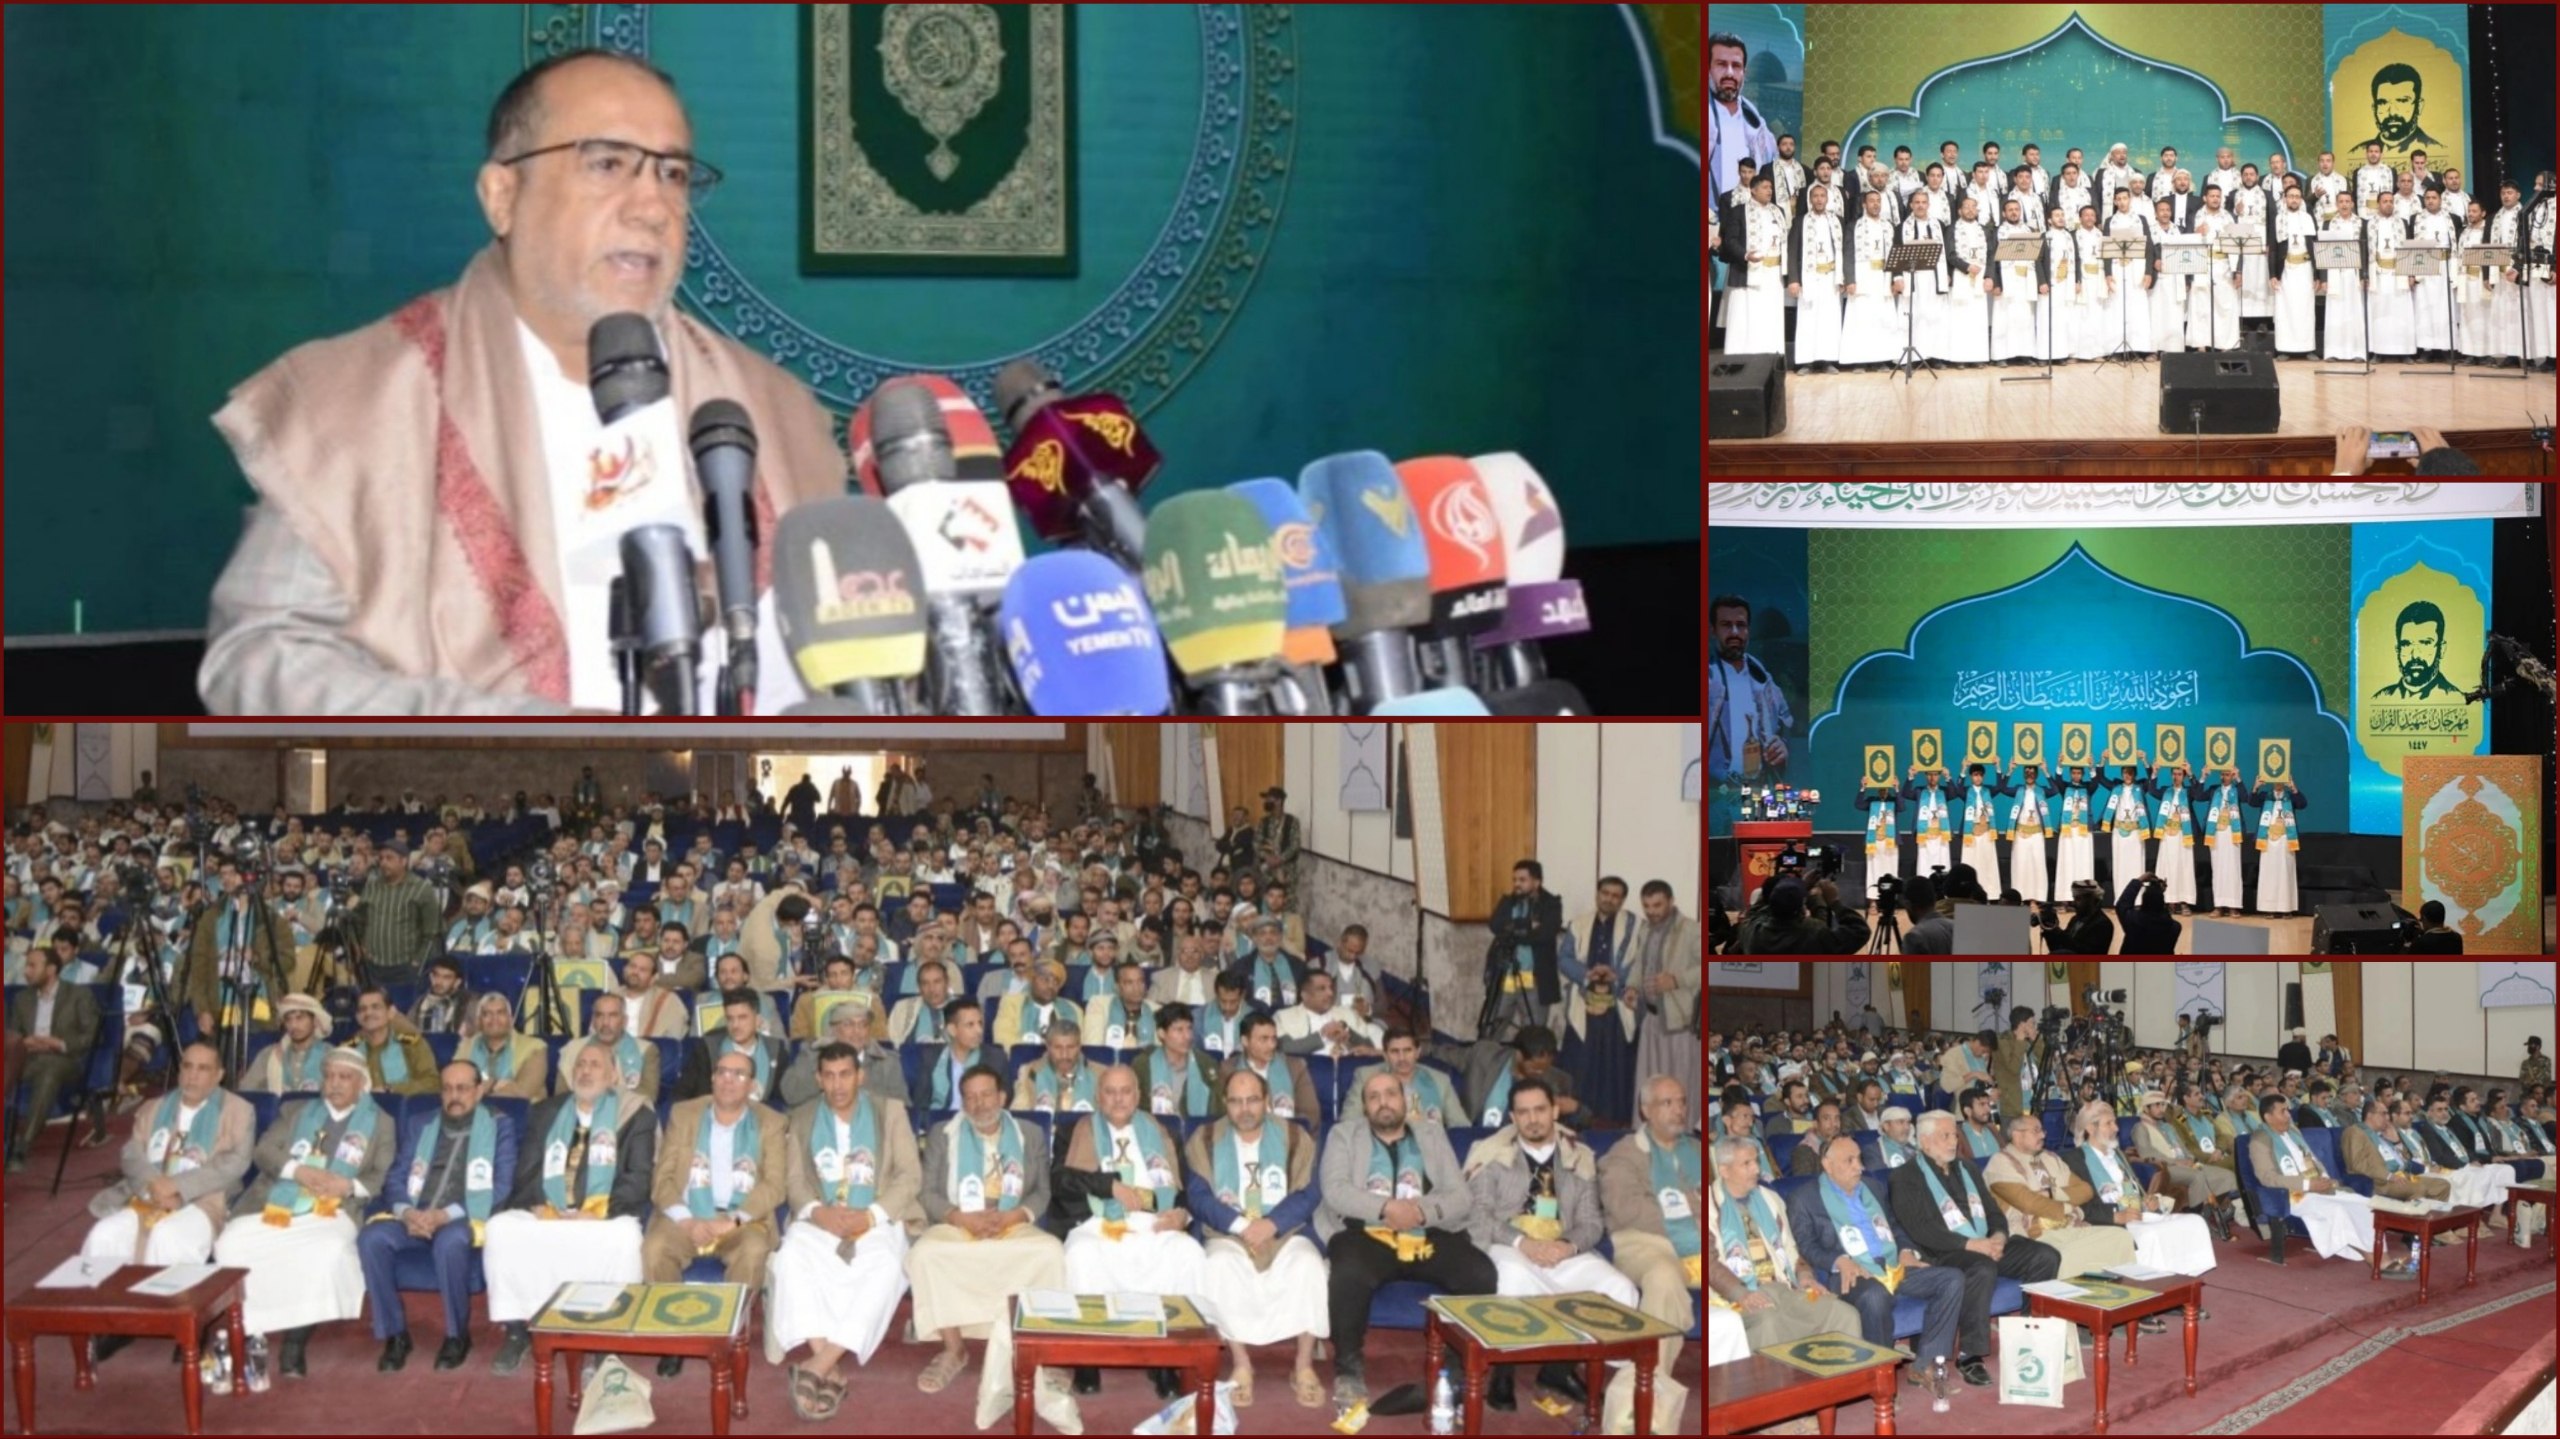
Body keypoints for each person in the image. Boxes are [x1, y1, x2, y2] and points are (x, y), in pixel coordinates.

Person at [198, 49, 846, 712]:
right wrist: (515, 740)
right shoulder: (361, 401)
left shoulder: (773, 411)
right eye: (607, 163)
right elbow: (261, 658)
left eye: (673, 173)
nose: (653, 206)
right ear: (502, 197)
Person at [212, 1045, 398, 1379]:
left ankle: (295, 1339)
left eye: (344, 1077)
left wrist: (348, 1186)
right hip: (277, 1202)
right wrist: (297, 1171)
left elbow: (382, 1175)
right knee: (230, 1245)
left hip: (334, 1210)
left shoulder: (381, 1123)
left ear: (362, 1083)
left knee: (325, 1251)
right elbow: (264, 1151)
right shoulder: (296, 1110)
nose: (335, 1084)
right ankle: (254, 1325)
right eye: (329, 1076)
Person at [1317, 1069, 1496, 1410]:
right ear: (1365, 1107)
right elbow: (1336, 1191)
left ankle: (1456, 1373)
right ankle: (1349, 1369)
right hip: (1366, 1233)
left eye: (1390, 1094)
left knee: (1481, 1273)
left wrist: (1420, 1213)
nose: (1383, 1102)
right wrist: (1386, 1208)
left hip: (1426, 1231)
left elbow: (1460, 1196)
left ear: (1405, 1100)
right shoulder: (1344, 1135)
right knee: (1348, 1272)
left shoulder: (1431, 1134)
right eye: (1374, 1097)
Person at [485, 1040, 660, 1373]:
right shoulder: (546, 1111)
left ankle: (606, 1339)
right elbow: (527, 1170)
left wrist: (597, 1211)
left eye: (595, 1065)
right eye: (580, 1064)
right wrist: (538, 1205)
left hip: (602, 1213)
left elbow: (638, 1178)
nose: (585, 1071)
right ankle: (518, 1329)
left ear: (613, 1076)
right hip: (550, 1209)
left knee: (626, 1237)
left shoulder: (636, 1114)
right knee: (500, 1228)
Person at [774, 1042, 925, 1420]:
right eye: (829, 1076)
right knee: (790, 1256)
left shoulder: (889, 1112)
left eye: (845, 1075)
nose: (837, 1084)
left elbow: (910, 1175)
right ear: (818, 1079)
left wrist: (871, 1215)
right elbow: (794, 1181)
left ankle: (818, 1364)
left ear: (861, 1076)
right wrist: (817, 1212)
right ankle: (828, 1365)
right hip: (821, 1216)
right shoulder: (803, 1117)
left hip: (876, 1216)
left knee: (888, 1265)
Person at [905, 1065, 1067, 1396]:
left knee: (1051, 1253)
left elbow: (1042, 1191)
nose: (979, 1104)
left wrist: (1014, 1215)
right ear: (963, 1102)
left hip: (1012, 1222)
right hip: (959, 1222)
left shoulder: (1029, 1133)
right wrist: (960, 1217)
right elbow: (928, 1192)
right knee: (923, 1254)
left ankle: (1043, 1352)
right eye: (971, 1097)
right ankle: (954, 1349)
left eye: (986, 1095)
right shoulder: (943, 1133)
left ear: (1002, 1097)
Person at [1785, 1132, 1970, 1409]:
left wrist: (1906, 1251)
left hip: (1892, 1266)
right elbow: (1806, 1245)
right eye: (1849, 1160)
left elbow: (1895, 1226)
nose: (1859, 1166)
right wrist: (1839, 1260)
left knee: (1952, 1279)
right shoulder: (1804, 1198)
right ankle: (1880, 1380)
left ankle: (1924, 1364)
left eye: (1859, 1159)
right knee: (1874, 1296)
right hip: (1851, 1272)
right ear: (1827, 1164)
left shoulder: (1872, 1187)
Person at [358, 1060, 518, 1372]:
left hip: (463, 1215)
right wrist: (407, 1212)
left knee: (450, 1242)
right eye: (447, 1089)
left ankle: (457, 1336)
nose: (454, 1096)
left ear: (479, 1090)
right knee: (371, 1239)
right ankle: (395, 1334)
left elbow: (501, 1186)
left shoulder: (500, 1125)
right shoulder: (422, 1123)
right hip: (415, 1213)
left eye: (462, 1088)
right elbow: (396, 1177)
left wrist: (445, 1215)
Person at [1186, 1064, 1330, 1410]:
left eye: (1252, 1100)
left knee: (1308, 1265)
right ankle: (1241, 1364)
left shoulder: (1294, 1136)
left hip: (1284, 1230)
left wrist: (1272, 1224)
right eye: (1236, 1101)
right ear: (1225, 1103)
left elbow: (1309, 1193)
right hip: (1228, 1232)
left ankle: (1303, 1365)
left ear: (1267, 1101)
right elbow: (1198, 1196)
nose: (1245, 1109)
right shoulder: (1204, 1139)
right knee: (1219, 1265)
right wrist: (1240, 1225)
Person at [1889, 1109, 2062, 1386]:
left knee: (2045, 1255)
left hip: (1984, 1242)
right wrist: (1971, 1244)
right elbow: (1920, 1229)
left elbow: (1994, 1212)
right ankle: (1970, 1354)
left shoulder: (1967, 1168)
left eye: (1954, 1135)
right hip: (1943, 1252)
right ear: (1924, 1141)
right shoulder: (1905, 1176)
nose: (1953, 1142)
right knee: (1981, 1267)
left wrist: (1999, 1238)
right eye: (1945, 1136)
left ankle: (2030, 1334)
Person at [82, 1042, 255, 1269]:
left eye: (203, 1068)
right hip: (147, 1194)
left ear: (218, 1075)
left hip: (204, 1199)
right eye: (187, 1066)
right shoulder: (154, 1107)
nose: (192, 1075)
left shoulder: (238, 1110)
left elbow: (235, 1163)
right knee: (104, 1235)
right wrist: (155, 1185)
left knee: (168, 1237)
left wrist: (178, 1187)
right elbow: (131, 1154)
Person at [4, 945, 99, 1171]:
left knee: (50, 1069)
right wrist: (24, 1042)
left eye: (32, 966)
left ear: (51, 969)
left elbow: (95, 1034)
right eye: (26, 965)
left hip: (65, 1060)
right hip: (28, 1057)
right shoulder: (22, 999)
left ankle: (23, 1145)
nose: (26, 971)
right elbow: (12, 1034)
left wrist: (60, 1043)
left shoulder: (79, 995)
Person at [2133, 1088, 2240, 1242]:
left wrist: (2190, 1159)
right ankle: (2197, 1218)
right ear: (2146, 1108)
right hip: (2167, 1168)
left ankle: (2208, 1211)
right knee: (2197, 1176)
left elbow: (2184, 1148)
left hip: (2186, 1164)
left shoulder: (2168, 1126)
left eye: (2163, 1105)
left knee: (2226, 1176)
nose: (2161, 1109)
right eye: (2156, 1105)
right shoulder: (2140, 1128)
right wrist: (2176, 1162)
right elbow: (2147, 1154)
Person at [556, 990, 662, 1101]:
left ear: (624, 1021)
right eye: (599, 1015)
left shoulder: (645, 1050)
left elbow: (647, 1098)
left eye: (613, 1015)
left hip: (625, 1111)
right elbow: (560, 1098)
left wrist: (605, 1104)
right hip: (579, 1110)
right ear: (593, 1021)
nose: (605, 1023)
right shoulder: (572, 1049)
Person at [1789, 181, 1848, 371]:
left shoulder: (1838, 221)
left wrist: (1844, 277)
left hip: (1831, 277)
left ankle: (1828, 361)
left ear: (1827, 199)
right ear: (1810, 199)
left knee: (1829, 320)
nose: (1819, 199)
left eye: (1822, 196)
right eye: (1815, 196)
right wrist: (1793, 279)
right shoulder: (1800, 221)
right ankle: (1806, 361)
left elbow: (1844, 251)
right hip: (1809, 277)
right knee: (1807, 320)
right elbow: (1792, 251)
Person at [2251, 776, 2308, 916]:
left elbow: (2302, 804)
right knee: (2268, 874)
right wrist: (2256, 787)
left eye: (2281, 780)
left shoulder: (2290, 797)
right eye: (2275, 780)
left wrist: (2294, 788)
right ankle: (2269, 908)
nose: (2278, 783)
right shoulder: (2265, 796)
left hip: (2286, 840)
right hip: (2268, 840)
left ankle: (2286, 908)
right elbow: (2252, 802)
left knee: (2285, 873)